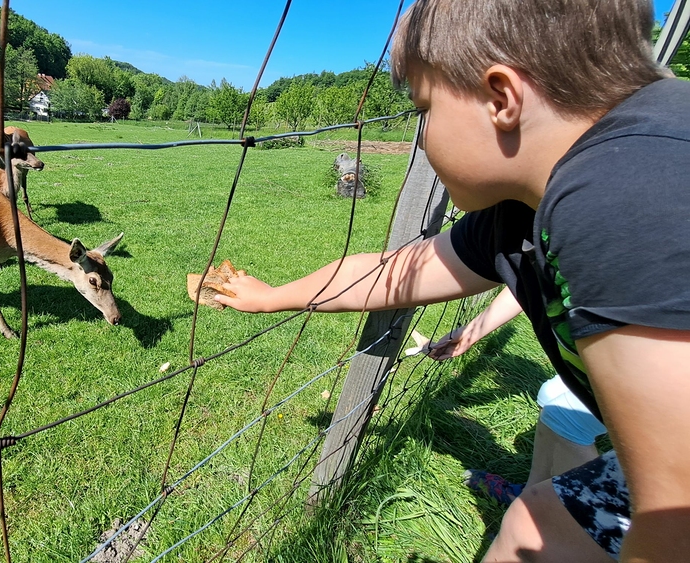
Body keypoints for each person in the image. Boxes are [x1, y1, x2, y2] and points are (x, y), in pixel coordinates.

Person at [213, 1, 690, 560]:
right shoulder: (531, 207)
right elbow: (395, 272)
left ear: (500, 99)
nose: (421, 137)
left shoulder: (623, 191)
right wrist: (274, 297)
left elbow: (673, 515)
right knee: (537, 526)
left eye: (425, 108)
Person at [427, 286, 606, 504]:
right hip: (610, 347)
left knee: (565, 418)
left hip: (644, 355)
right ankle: (530, 496)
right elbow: (524, 274)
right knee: (552, 395)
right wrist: (471, 332)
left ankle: (592, 523)